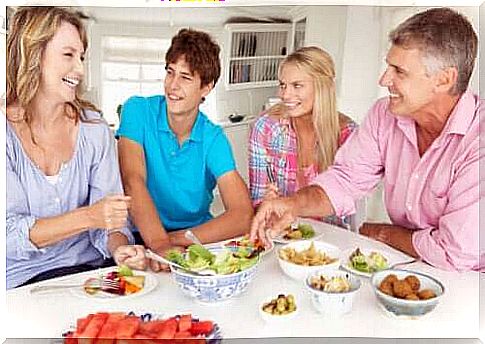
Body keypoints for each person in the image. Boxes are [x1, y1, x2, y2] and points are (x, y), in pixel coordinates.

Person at [250, 7, 481, 272]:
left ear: (444, 80)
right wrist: (293, 204)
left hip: (469, 284)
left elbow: (455, 254)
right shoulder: (384, 115)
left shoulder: (478, 141)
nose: (384, 80)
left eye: (399, 71)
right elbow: (345, 179)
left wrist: (385, 234)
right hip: (410, 264)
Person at [6, 7, 146, 289]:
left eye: (81, 57)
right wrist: (88, 216)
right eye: (68, 55)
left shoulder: (94, 128)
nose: (80, 70)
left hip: (89, 273)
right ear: (33, 55)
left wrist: (120, 249)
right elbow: (7, 237)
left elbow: (111, 221)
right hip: (20, 284)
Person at [117, 28, 253, 271]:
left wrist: (175, 240)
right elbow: (132, 181)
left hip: (193, 238)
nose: (172, 85)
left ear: (206, 87)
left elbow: (242, 215)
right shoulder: (137, 111)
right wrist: (158, 243)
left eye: (186, 77)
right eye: (170, 72)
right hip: (142, 235)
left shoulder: (213, 138)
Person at [248, 46, 357, 229]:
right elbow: (258, 197)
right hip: (281, 233)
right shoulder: (265, 128)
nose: (285, 95)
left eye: (297, 85)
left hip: (333, 239)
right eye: (283, 85)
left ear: (323, 87)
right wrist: (266, 204)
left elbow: (346, 203)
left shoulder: (348, 135)